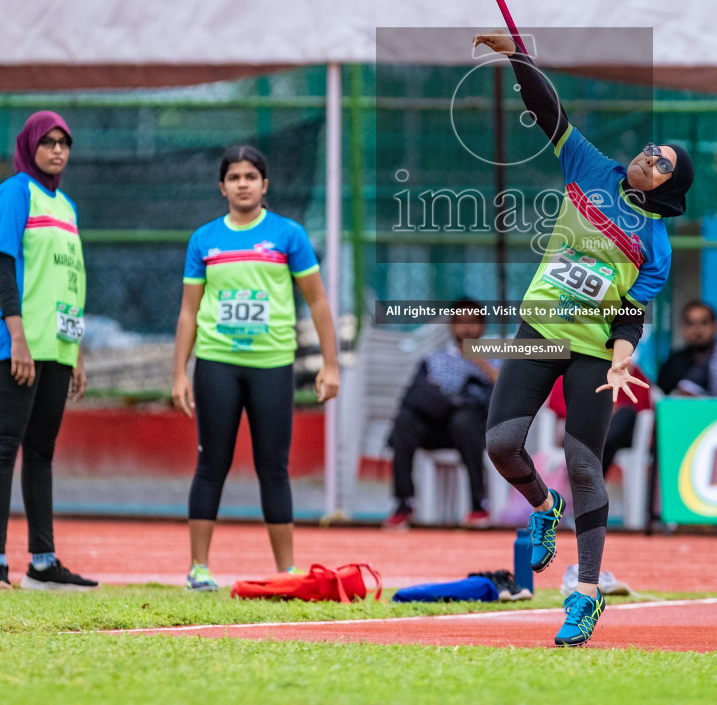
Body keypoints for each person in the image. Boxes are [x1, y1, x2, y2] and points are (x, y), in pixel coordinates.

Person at [473, 31, 692, 648]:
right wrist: (518, 55)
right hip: (537, 328)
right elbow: (551, 114)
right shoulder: (593, 167)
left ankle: (587, 594)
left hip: (593, 351)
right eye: (652, 149)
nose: (650, 156)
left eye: (664, 161)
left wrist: (623, 359)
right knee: (501, 443)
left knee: (583, 462)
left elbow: (630, 316)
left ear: (669, 187)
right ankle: (544, 508)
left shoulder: (656, 245)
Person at [171, 146, 341, 593]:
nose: (243, 183)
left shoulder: (289, 235)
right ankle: (199, 569)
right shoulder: (204, 240)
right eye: (234, 177)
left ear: (265, 185)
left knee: (274, 467)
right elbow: (189, 312)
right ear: (222, 186)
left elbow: (318, 301)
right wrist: (179, 372)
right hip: (217, 364)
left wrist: (330, 364)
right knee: (212, 463)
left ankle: (286, 572)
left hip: (271, 364)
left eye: (251, 176)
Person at [0, 111, 95, 592]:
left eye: (63, 143)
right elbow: (3, 266)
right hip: (18, 344)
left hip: (59, 345)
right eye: (47, 142)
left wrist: (77, 351)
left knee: (42, 452)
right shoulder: (13, 192)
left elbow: (69, 281)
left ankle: (43, 563)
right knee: (5, 445)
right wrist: (18, 338)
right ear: (31, 146)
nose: (56, 151)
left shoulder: (65, 205)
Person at [383, 300, 500, 531]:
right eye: (460, 323)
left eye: (472, 323)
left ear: (482, 327)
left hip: (472, 430)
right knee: (405, 421)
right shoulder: (434, 360)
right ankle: (403, 503)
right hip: (436, 427)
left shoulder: (496, 358)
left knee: (463, 421)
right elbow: (413, 397)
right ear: (451, 327)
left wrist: (484, 367)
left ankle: (479, 506)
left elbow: (508, 394)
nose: (466, 330)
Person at [656, 300, 717, 394]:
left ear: (716, 326)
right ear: (683, 328)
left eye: (704, 323)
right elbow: (662, 399)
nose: (697, 330)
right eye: (691, 324)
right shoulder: (673, 363)